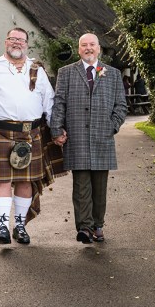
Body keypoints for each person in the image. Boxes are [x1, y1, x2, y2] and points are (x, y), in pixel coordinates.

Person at [0, 27, 59, 245]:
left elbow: (49, 104)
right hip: (0, 132)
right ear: (6, 42)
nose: (17, 43)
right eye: (13, 39)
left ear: (26, 44)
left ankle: (20, 226)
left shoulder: (37, 70)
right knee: (2, 179)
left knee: (25, 181)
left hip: (29, 133)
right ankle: (3, 227)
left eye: (21, 40)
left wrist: (56, 130)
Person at [50, 33, 127, 243]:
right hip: (77, 137)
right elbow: (59, 104)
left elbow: (121, 105)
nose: (88, 48)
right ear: (78, 50)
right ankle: (84, 228)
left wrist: (112, 126)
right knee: (81, 184)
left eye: (92, 44)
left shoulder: (112, 74)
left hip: (103, 137)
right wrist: (56, 129)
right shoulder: (66, 73)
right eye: (84, 45)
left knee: (99, 187)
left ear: (99, 48)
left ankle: (97, 225)